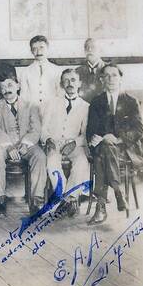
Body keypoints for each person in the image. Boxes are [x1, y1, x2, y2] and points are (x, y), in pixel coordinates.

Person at [87, 64, 143, 225]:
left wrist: (118, 139)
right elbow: (91, 130)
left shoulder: (131, 101)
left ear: (120, 79)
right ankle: (118, 192)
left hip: (126, 148)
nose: (110, 79)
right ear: (101, 80)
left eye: (114, 75)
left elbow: (138, 130)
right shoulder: (96, 102)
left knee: (102, 156)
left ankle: (101, 207)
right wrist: (102, 137)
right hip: (103, 144)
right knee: (105, 149)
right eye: (106, 75)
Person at [0, 72, 46, 217]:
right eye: (2, 87)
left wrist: (25, 144)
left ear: (18, 86)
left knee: (40, 156)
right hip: (4, 145)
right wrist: (8, 146)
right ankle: (0, 199)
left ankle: (36, 200)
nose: (6, 90)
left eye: (10, 85)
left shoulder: (31, 106)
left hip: (27, 144)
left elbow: (36, 129)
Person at [41, 69, 90, 217]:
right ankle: (66, 198)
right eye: (66, 80)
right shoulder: (52, 103)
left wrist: (74, 143)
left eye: (73, 80)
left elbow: (85, 133)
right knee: (51, 162)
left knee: (82, 161)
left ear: (79, 83)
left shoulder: (85, 106)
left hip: (74, 144)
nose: (70, 83)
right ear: (62, 84)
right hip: (55, 143)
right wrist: (48, 139)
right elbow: (43, 128)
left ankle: (71, 197)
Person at [19, 35, 62, 117]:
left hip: (53, 113)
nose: (38, 52)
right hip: (32, 114)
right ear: (31, 51)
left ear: (47, 48)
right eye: (35, 49)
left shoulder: (57, 70)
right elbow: (23, 98)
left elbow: (60, 95)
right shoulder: (25, 72)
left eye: (42, 47)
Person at [76, 38, 107, 103]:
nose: (89, 50)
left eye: (93, 47)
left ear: (100, 50)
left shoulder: (108, 69)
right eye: (86, 47)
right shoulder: (77, 72)